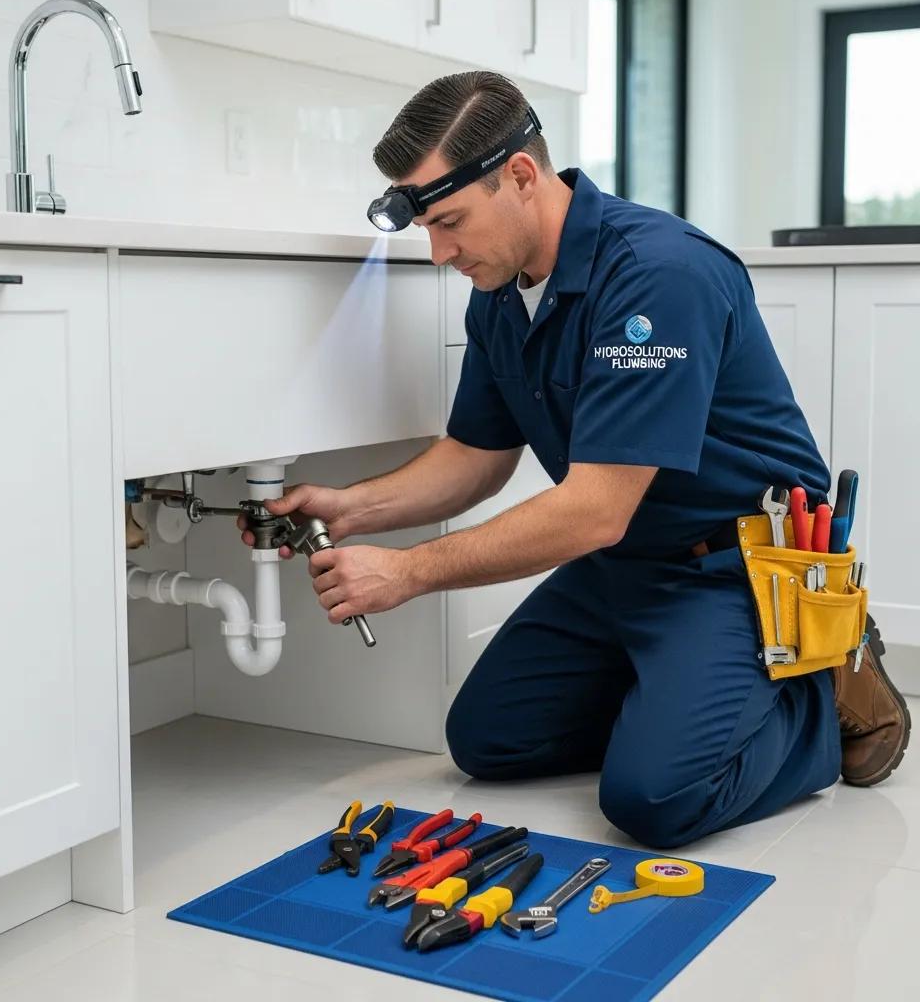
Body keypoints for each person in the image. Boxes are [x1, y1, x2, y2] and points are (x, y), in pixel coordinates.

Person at [240, 71, 909, 849]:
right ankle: (680, 697)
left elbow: (595, 507)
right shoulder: (499, 292)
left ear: (520, 175)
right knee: (488, 741)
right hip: (620, 567)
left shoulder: (658, 275)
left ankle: (819, 694)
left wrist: (407, 572)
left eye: (450, 221)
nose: (438, 253)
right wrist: (348, 507)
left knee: (656, 801)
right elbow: (476, 456)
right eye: (426, 227)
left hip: (733, 571)